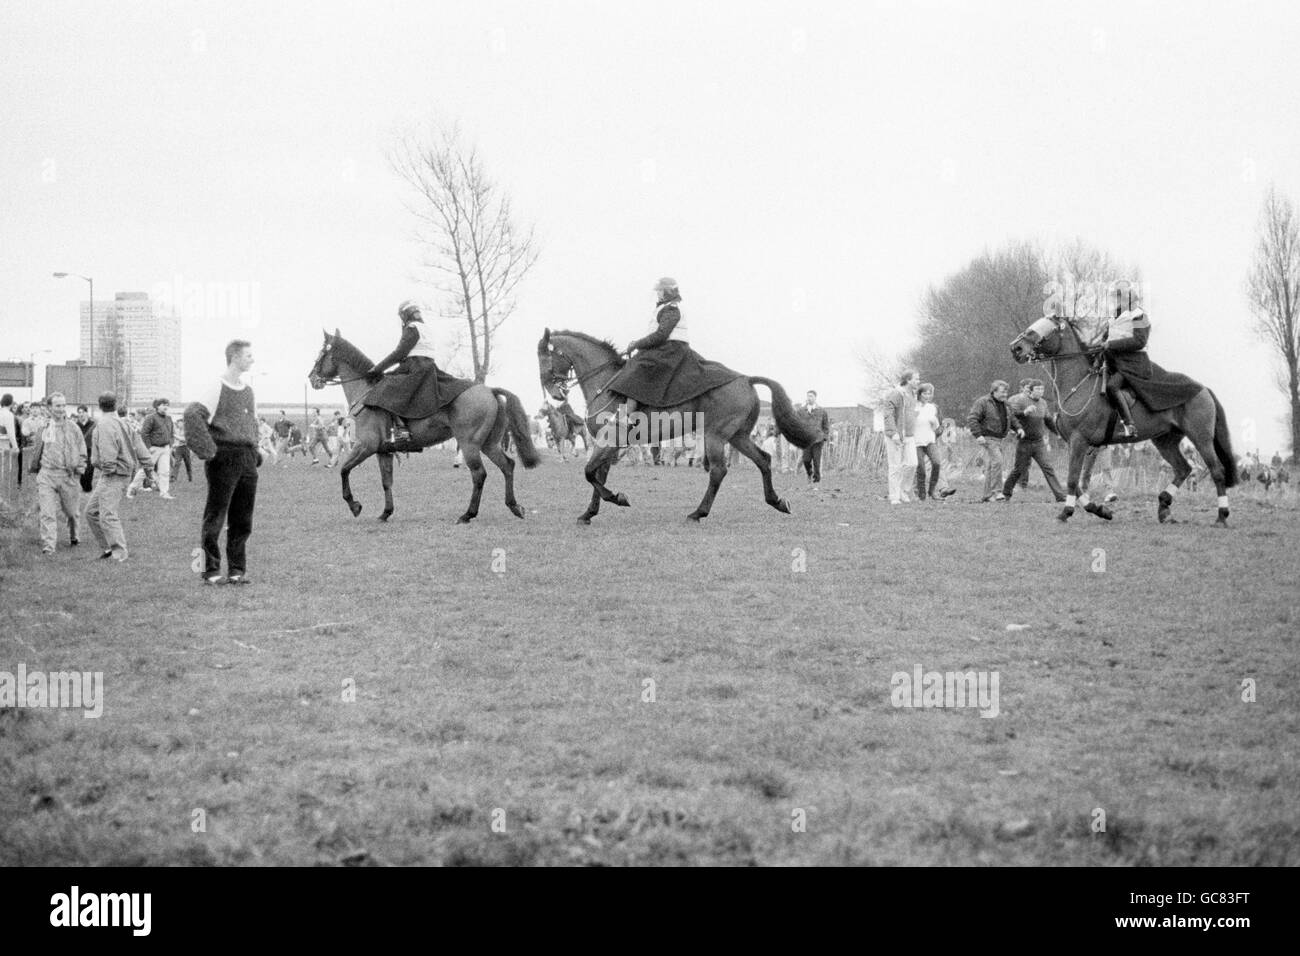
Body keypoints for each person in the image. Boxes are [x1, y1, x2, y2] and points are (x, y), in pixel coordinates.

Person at [187, 340, 260, 585]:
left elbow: (253, 424)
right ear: (235, 357)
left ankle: (237, 571)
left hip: (247, 460)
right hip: (223, 458)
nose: (252, 359)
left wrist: (254, 449)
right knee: (215, 516)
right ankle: (209, 571)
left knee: (242, 518)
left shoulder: (248, 390)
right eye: (248, 355)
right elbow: (192, 415)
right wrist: (209, 451)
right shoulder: (216, 386)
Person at [364, 300, 443, 445]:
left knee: (385, 385)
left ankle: (402, 428)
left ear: (405, 315)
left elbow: (399, 353)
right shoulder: (426, 329)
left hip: (414, 367)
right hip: (430, 367)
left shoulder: (412, 328)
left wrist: (377, 369)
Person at [86, 391, 150, 562]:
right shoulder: (124, 423)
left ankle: (119, 553)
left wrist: (107, 468)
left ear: (99, 406)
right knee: (91, 512)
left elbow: (108, 454)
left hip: (113, 474)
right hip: (120, 473)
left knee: (107, 514)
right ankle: (108, 548)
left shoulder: (104, 424)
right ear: (115, 405)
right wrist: (148, 467)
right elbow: (140, 446)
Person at [28, 392, 87, 555]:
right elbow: (37, 451)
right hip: (46, 475)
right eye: (57, 405)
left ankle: (74, 536)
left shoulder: (73, 428)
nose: (61, 409)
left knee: (72, 512)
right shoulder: (43, 428)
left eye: (63, 405)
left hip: (68, 475)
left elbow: (82, 452)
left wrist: (78, 472)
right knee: (47, 512)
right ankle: (49, 546)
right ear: (49, 408)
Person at [1002, 379, 1066, 502]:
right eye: (1037, 389)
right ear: (1030, 391)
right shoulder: (1021, 400)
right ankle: (1006, 492)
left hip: (1039, 442)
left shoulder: (1043, 403)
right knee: (1019, 470)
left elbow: (1048, 420)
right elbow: (1011, 415)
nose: (1041, 392)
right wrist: (1024, 412)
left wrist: (1058, 433)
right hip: (1024, 442)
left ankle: (1060, 496)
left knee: (1048, 467)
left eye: (1042, 389)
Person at [1100, 286, 1152, 438]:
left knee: (1112, 387)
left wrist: (1112, 345)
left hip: (1133, 364)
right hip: (1114, 362)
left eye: (1120, 298)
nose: (1117, 301)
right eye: (1116, 298)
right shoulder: (1114, 317)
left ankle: (1130, 425)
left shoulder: (1140, 316)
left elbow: (1140, 341)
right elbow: (1106, 338)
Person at [966, 380, 1022, 502]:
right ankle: (997, 492)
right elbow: (972, 418)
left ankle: (987, 495)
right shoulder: (983, 402)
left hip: (999, 439)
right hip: (988, 438)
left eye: (1006, 392)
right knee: (998, 461)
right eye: (1002, 392)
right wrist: (978, 435)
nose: (1005, 394)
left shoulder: (1005, 404)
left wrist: (1019, 428)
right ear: (994, 391)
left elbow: (1012, 419)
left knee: (992, 466)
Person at [913, 383, 955, 500]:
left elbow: (940, 426)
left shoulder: (934, 408)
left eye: (929, 393)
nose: (927, 396)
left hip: (931, 440)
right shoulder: (913, 407)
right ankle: (921, 494)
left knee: (937, 463)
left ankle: (932, 491)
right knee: (920, 468)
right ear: (919, 394)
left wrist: (937, 429)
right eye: (924, 393)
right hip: (916, 441)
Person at [882, 370, 919, 505]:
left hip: (909, 435)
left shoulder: (912, 394)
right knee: (895, 466)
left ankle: (903, 490)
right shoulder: (896, 393)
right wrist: (893, 433)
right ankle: (894, 496)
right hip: (896, 435)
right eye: (916, 379)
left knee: (912, 463)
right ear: (908, 380)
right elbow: (888, 413)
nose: (918, 381)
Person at [131, 398, 176, 499]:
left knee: (165, 471)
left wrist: (170, 444)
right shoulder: (151, 418)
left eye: (167, 404)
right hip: (154, 448)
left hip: (166, 448)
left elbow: (171, 433)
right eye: (163, 404)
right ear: (157, 406)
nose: (165, 406)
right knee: (146, 469)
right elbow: (144, 433)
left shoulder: (169, 418)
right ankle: (132, 488)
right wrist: (149, 447)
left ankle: (164, 493)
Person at [798, 390, 830, 485]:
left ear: (815, 398)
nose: (809, 398)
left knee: (817, 460)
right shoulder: (801, 411)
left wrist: (825, 436)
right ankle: (809, 473)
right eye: (808, 396)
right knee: (806, 460)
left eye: (811, 396)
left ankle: (816, 479)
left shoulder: (822, 411)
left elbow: (826, 425)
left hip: (818, 440)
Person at [74, 404, 96, 496]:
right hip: (80, 450)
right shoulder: (76, 425)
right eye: (79, 413)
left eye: (83, 412)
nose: (81, 414)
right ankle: (84, 486)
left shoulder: (93, 424)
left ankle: (88, 487)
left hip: (90, 449)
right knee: (82, 469)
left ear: (87, 413)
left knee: (90, 469)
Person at [172, 414, 193, 482]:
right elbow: (176, 441)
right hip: (179, 449)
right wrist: (174, 445)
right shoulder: (177, 430)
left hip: (186, 448)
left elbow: (184, 439)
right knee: (177, 463)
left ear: (183, 423)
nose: (178, 425)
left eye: (180, 423)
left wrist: (174, 436)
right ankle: (173, 478)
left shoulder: (187, 431)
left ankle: (190, 477)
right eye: (177, 423)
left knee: (188, 464)